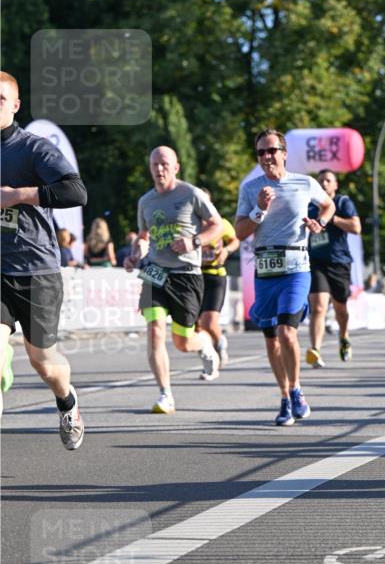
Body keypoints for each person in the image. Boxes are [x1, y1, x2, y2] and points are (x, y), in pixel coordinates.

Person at [0, 70, 87, 447]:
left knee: (43, 362)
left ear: (16, 105)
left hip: (37, 272)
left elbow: (75, 191)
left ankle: (67, 402)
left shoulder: (33, 149)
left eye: (0, 100)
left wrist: (18, 196)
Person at [235, 129, 334, 426]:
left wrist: (320, 223)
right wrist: (259, 210)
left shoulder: (304, 183)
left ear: (284, 153)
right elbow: (239, 232)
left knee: (287, 332)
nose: (266, 157)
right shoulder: (251, 188)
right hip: (265, 270)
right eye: (261, 153)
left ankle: (296, 390)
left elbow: (328, 204)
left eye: (272, 151)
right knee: (271, 342)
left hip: (296, 267)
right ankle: (284, 396)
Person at [124, 146, 224, 413]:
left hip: (186, 275)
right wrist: (135, 254)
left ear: (176, 167)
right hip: (155, 270)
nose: (159, 169)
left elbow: (218, 226)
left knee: (183, 342)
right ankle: (165, 394)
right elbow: (143, 235)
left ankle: (204, 344)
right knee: (155, 329)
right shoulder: (145, 201)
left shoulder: (192, 194)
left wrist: (194, 241)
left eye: (165, 164)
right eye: (154, 164)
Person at [305, 169, 361, 367]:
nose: (325, 184)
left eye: (328, 180)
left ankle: (344, 337)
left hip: (339, 262)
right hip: (316, 261)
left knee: (340, 308)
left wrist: (330, 217)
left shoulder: (343, 202)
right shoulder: (310, 205)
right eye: (321, 181)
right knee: (318, 306)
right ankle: (315, 349)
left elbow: (356, 227)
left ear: (335, 185)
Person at [196, 189, 240, 368]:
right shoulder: (190, 224)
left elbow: (235, 240)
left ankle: (219, 341)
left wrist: (226, 251)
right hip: (195, 277)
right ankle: (209, 354)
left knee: (209, 321)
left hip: (216, 275)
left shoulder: (221, 224)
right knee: (196, 325)